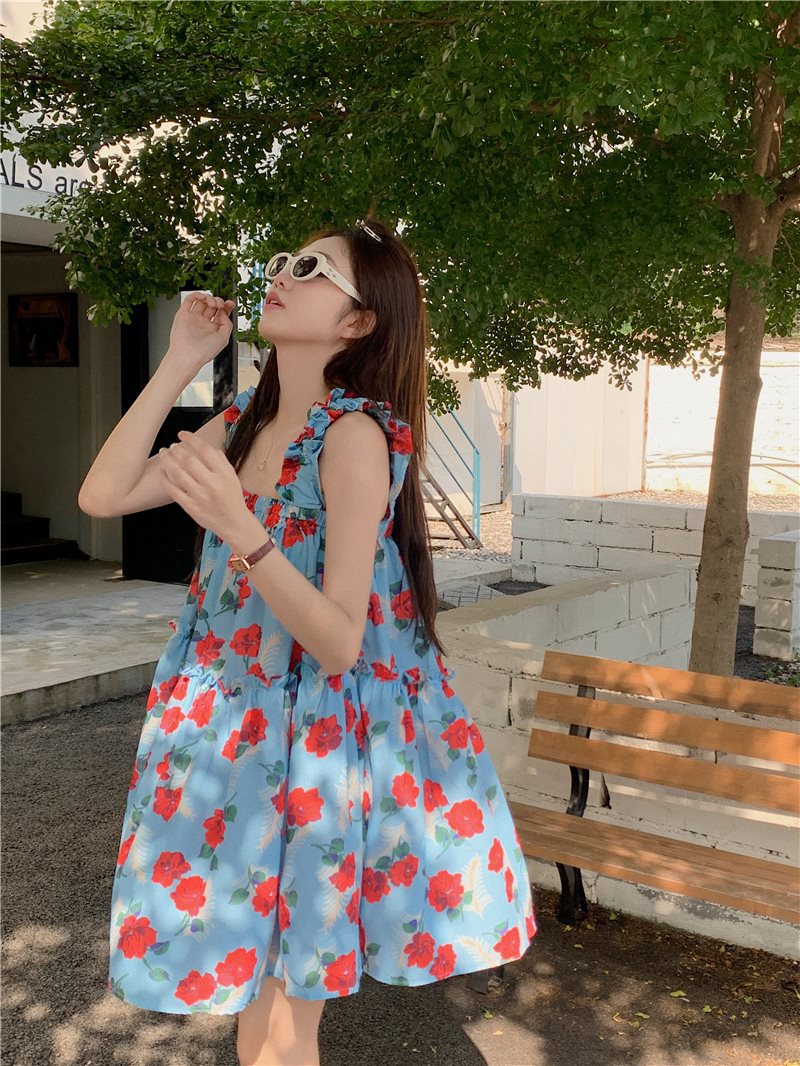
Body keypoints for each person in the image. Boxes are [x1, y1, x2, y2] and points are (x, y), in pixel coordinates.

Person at [79, 216, 537, 1066]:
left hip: (316, 743)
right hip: (234, 733)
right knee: (256, 999)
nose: (282, 275)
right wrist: (180, 358)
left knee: (291, 1016)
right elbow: (102, 496)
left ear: (358, 321)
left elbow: (340, 643)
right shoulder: (241, 421)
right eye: (286, 261)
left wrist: (239, 528)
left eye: (313, 269)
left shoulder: (353, 435)